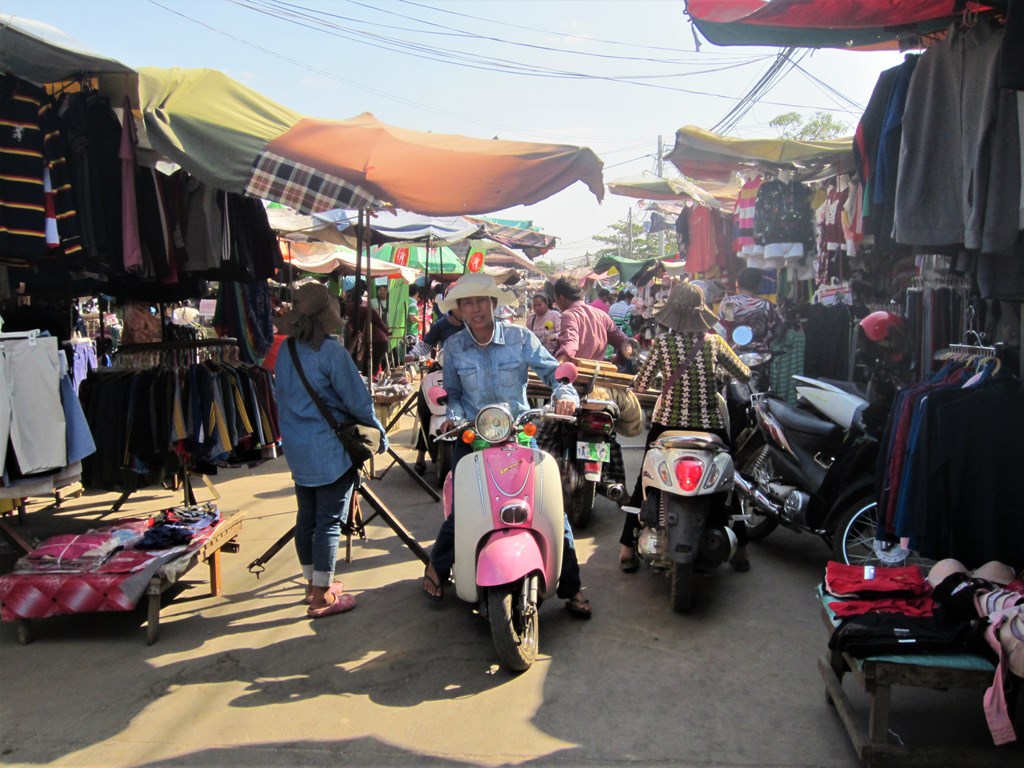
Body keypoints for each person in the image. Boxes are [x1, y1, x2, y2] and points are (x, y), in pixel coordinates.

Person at [421, 273, 594, 618]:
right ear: (459, 309)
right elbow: (452, 394)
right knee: (463, 511)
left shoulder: (520, 337)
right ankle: (437, 567)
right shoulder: (454, 347)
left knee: (550, 510)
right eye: (467, 303)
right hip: (472, 437)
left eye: (481, 301)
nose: (475, 309)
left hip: (519, 434)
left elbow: (553, 372)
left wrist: (565, 393)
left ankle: (571, 586)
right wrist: (451, 417)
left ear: (493, 304)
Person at [620, 281, 752, 574]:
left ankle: (627, 549)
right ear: (701, 312)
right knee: (731, 482)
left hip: (667, 425)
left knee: (644, 480)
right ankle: (741, 548)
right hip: (710, 429)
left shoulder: (663, 344)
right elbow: (744, 373)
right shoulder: (714, 342)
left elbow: (641, 384)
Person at [274, 282, 388, 618]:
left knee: (306, 518)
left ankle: (313, 583)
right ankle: (323, 596)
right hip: (329, 449)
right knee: (328, 522)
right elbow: (357, 403)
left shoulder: (286, 350)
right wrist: (377, 431)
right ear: (328, 316)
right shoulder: (331, 353)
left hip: (297, 447)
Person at [405, 300, 466, 473]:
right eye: (460, 303)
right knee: (424, 406)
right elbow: (426, 344)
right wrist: (413, 354)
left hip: (466, 373)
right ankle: (420, 454)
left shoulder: (472, 325)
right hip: (441, 370)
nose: (464, 308)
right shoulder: (441, 325)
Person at [553, 276, 630, 362]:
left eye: (555, 298)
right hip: (600, 373)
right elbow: (626, 344)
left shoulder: (569, 315)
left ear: (562, 298)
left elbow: (569, 347)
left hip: (575, 373)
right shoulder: (602, 315)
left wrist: (557, 368)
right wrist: (618, 358)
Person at [717, 267, 783, 347]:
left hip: (732, 350)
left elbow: (726, 327)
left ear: (738, 283)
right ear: (758, 284)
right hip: (759, 350)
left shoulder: (729, 302)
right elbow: (777, 327)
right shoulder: (765, 304)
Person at [345, 281, 391, 377]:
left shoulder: (351, 308)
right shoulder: (355, 308)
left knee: (369, 371)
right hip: (375, 340)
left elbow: (373, 314)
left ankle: (370, 387)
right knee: (368, 371)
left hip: (376, 341)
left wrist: (385, 331)